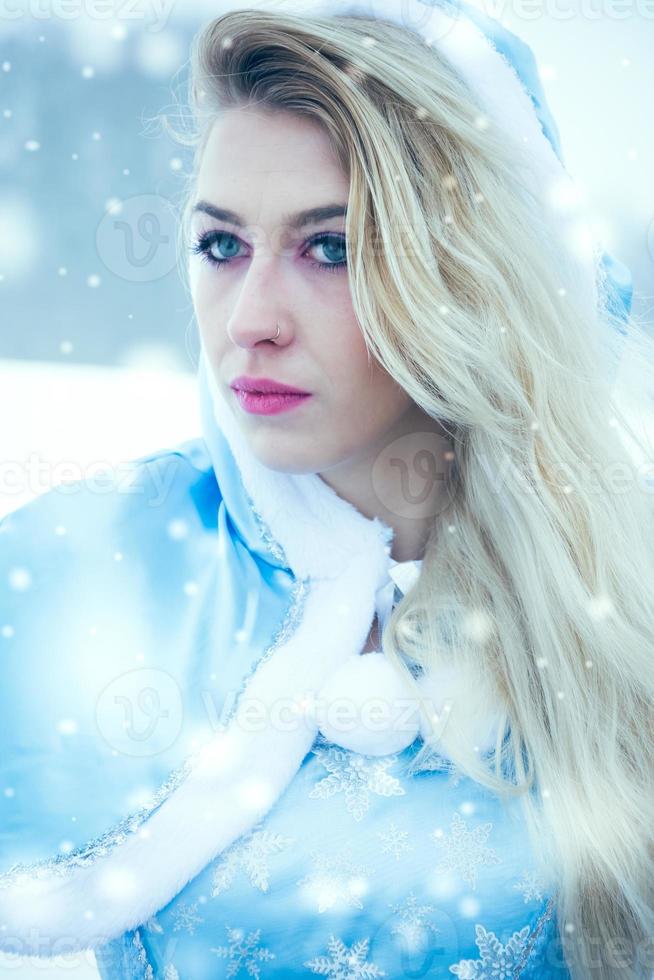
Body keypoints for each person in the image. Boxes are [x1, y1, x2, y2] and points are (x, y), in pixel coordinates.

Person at [1, 1, 653, 977]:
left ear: (468, 277)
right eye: (222, 245)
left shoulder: (622, 586)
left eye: (331, 247)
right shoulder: (85, 573)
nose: (251, 319)